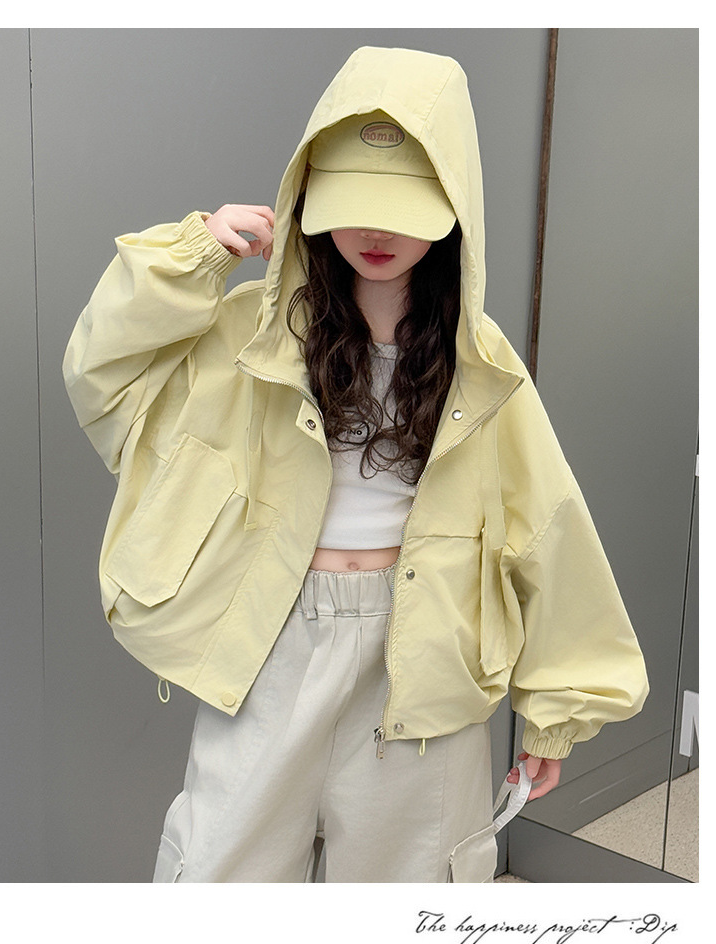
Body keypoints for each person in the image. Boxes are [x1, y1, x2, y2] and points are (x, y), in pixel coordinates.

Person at [63, 46, 649, 883]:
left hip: (426, 655)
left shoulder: (482, 367)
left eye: (403, 208)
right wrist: (192, 256)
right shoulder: (249, 333)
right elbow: (105, 379)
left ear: (454, 208)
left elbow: (548, 526)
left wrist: (558, 710)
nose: (377, 232)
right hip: (274, 638)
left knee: (410, 893)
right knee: (219, 880)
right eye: (355, 203)